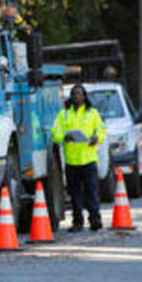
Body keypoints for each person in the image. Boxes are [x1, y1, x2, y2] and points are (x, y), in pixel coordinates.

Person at [51, 84, 107, 231]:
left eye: (79, 94)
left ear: (84, 96)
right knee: (74, 193)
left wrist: (97, 138)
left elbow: (101, 130)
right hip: (72, 161)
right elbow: (55, 134)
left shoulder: (92, 113)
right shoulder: (63, 114)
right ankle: (77, 222)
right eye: (74, 94)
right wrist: (64, 137)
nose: (77, 96)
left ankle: (95, 219)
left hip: (88, 159)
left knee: (91, 191)